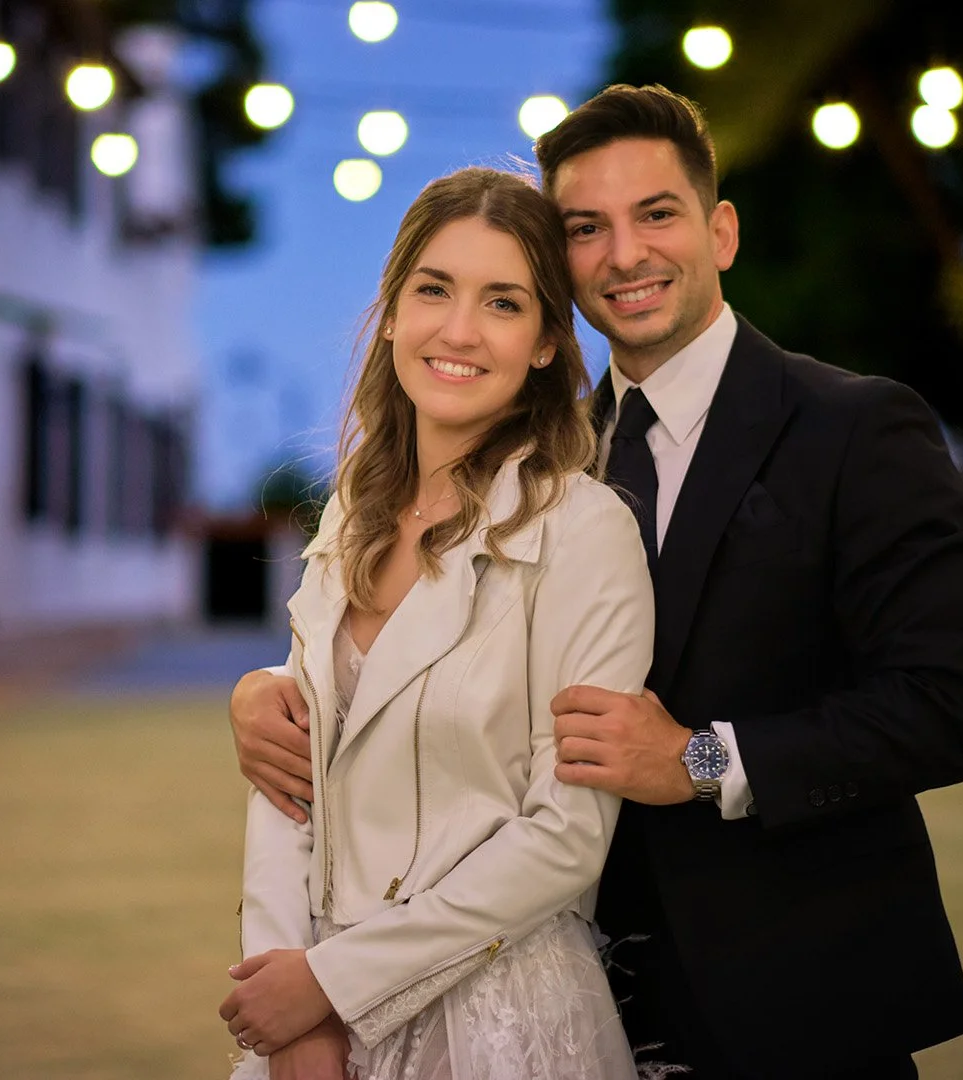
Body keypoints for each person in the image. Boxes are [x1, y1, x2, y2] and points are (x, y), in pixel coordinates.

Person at [230, 84, 963, 1078]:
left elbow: (958, 707)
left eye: (657, 215)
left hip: (793, 1000)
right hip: (579, 994)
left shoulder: (856, 428)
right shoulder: (539, 458)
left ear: (721, 230)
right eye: (586, 228)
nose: (624, 254)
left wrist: (700, 759)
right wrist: (270, 697)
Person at [219, 166, 657, 1080]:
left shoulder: (585, 531)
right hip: (311, 1017)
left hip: (499, 1018)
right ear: (389, 314)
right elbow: (290, 776)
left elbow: (566, 838)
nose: (458, 331)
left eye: (503, 302)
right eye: (434, 290)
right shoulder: (350, 510)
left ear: (546, 343)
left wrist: (332, 985)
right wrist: (289, 1016)